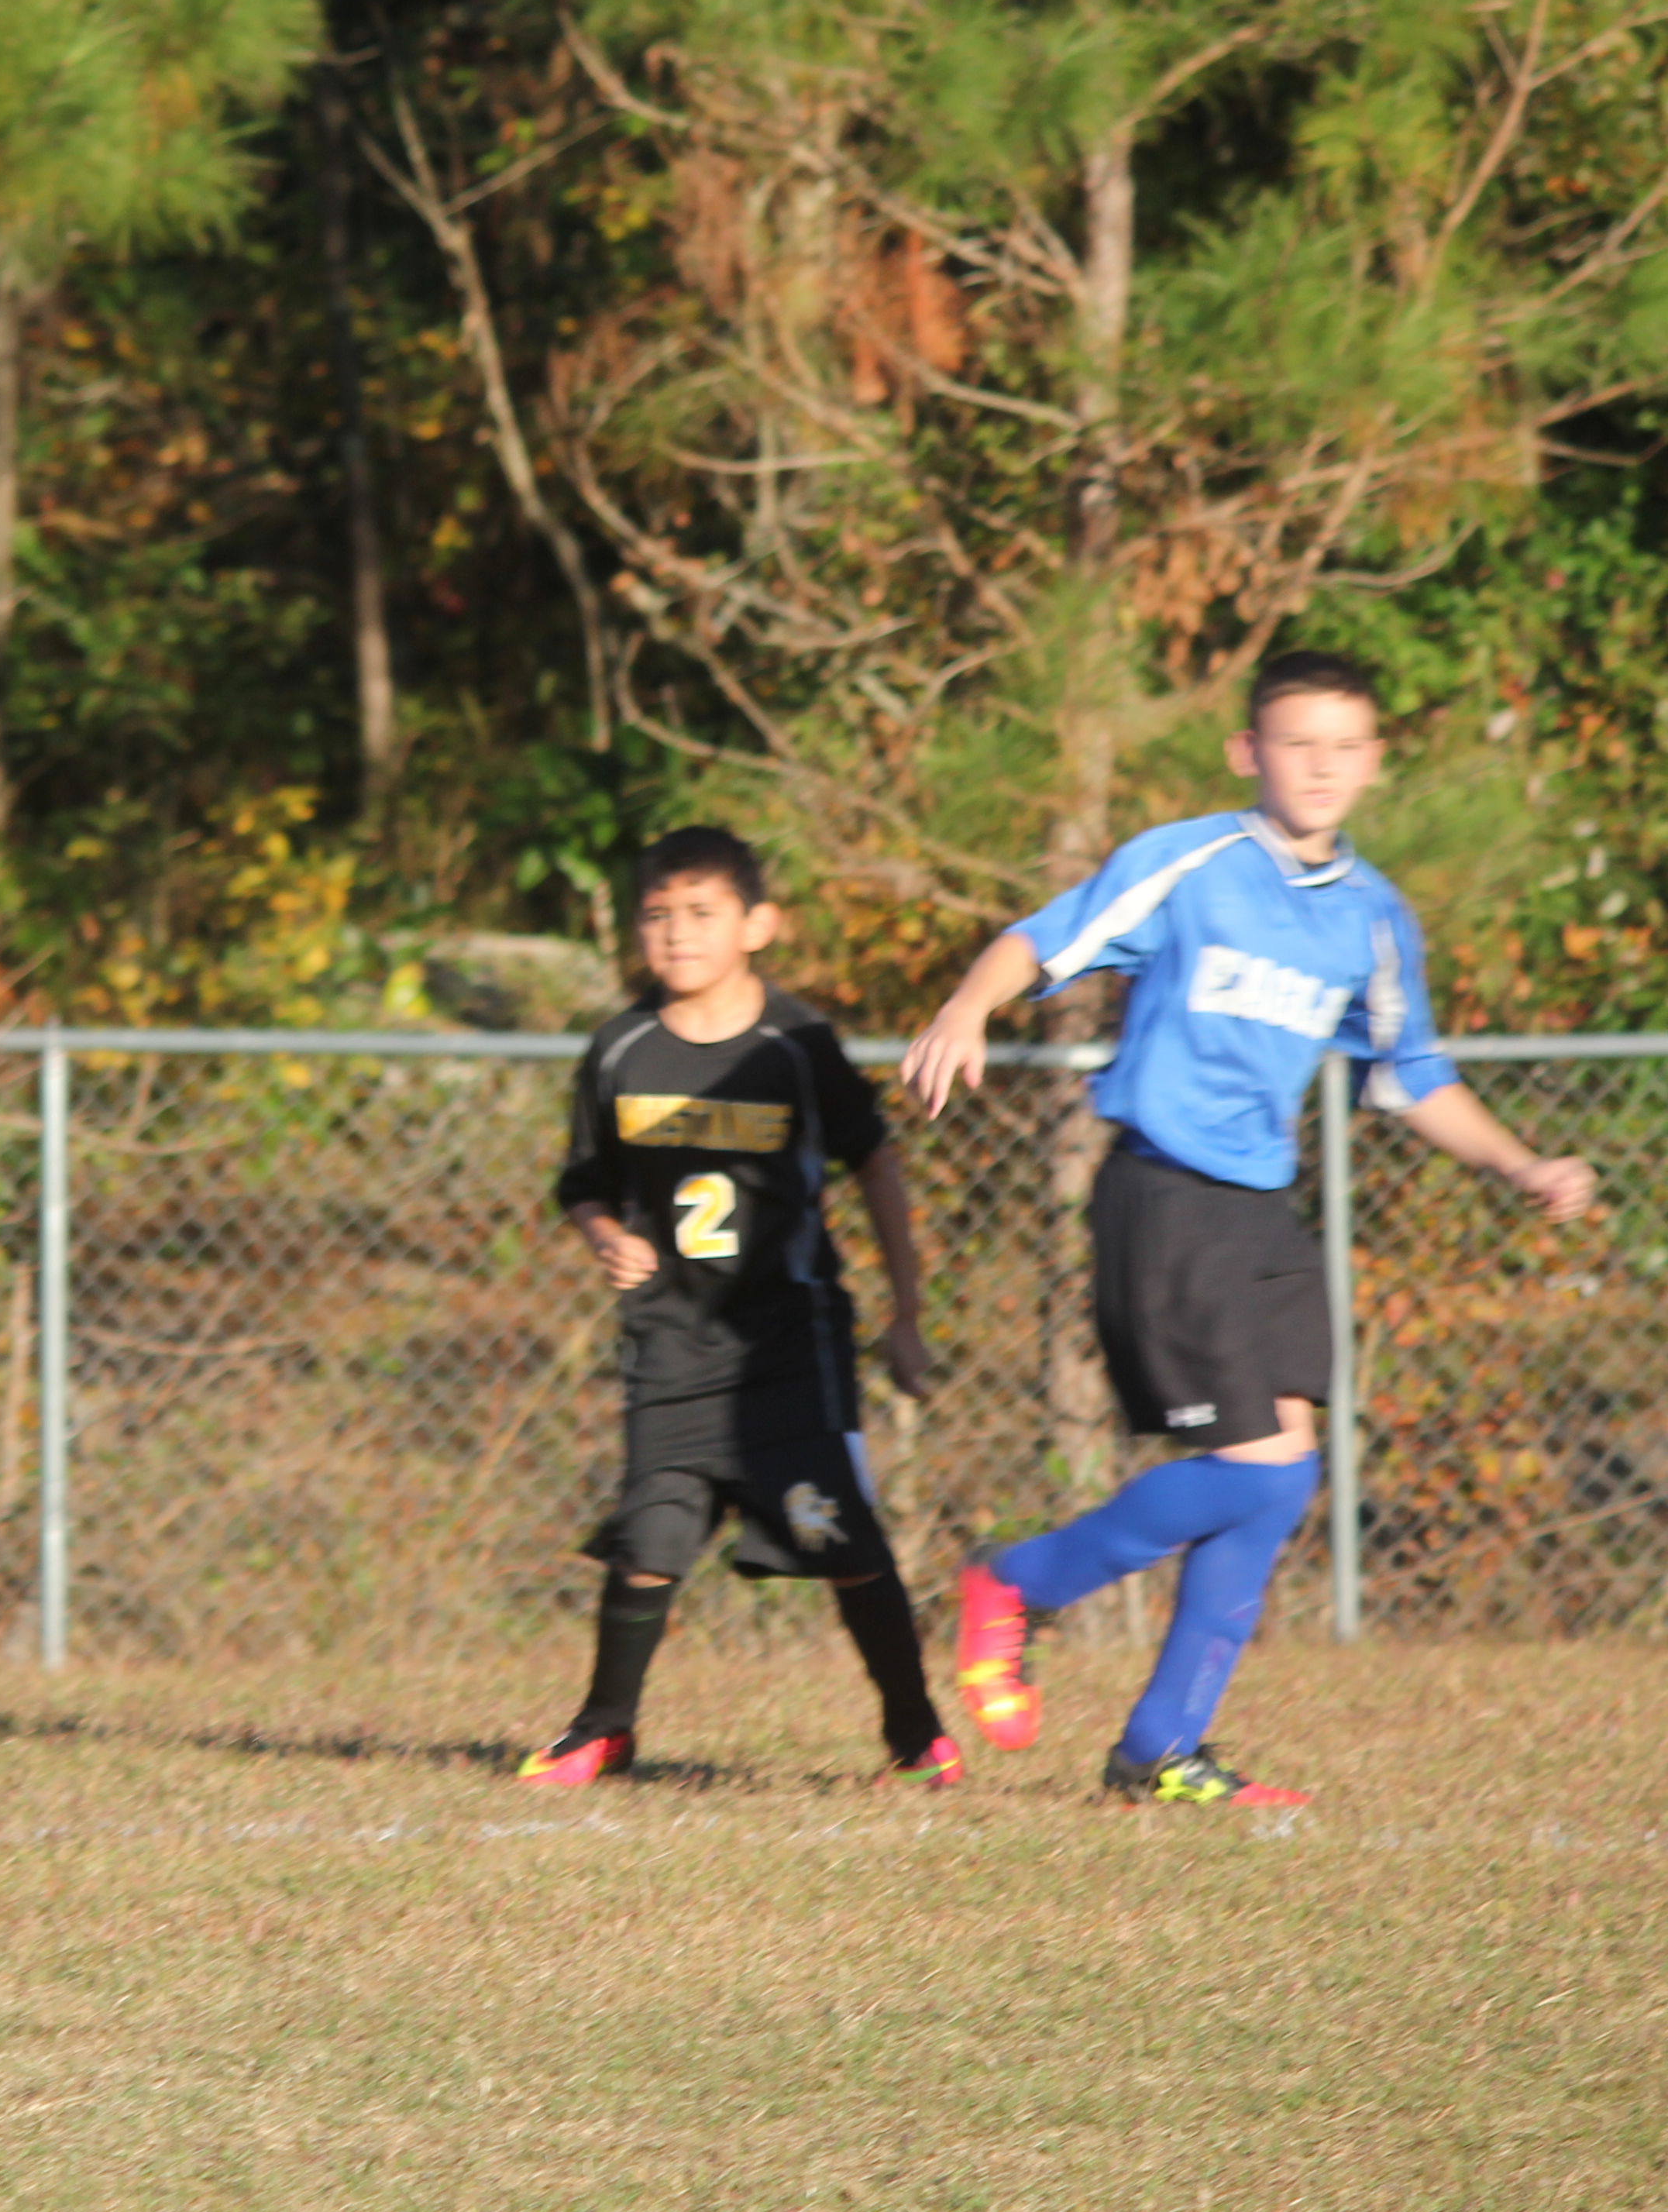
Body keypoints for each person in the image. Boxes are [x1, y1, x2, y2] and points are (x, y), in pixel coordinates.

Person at [903, 649, 1600, 1807]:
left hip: (1260, 1206)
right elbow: (1044, 937)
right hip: (1166, 1194)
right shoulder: (1190, 863)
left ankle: (1159, 1752)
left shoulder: (1374, 918)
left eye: (1345, 746)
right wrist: (965, 1007)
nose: (1321, 765)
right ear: (1248, 753)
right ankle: (1015, 1588)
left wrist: (1519, 1162)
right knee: (1259, 1470)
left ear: (1373, 763)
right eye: (1296, 742)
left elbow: (1411, 1073)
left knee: (1281, 1480)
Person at [516, 829, 954, 1791]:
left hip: (789, 1346)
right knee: (649, 1538)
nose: (676, 934)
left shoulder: (796, 1047)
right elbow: (582, 1179)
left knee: (841, 1540)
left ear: (759, 925)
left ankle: (919, 1738)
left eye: (701, 913)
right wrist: (601, 1231)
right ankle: (602, 1730)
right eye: (657, 915)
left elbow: (875, 1163)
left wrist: (906, 1313)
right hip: (671, 1340)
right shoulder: (620, 1047)